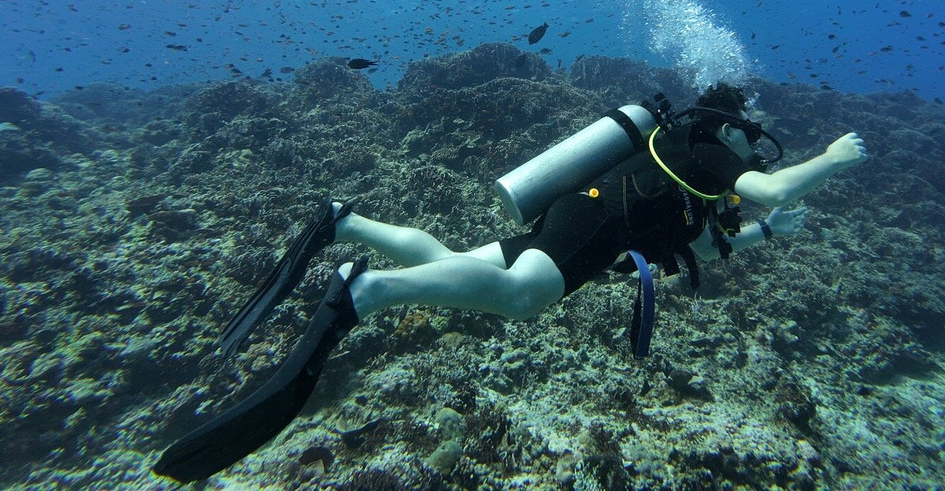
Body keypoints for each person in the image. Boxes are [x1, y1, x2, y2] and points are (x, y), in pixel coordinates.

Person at [153, 83, 868, 483]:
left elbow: (713, 244)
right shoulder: (710, 154)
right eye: (752, 134)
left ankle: (347, 222)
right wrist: (832, 159)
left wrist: (766, 234)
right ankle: (364, 291)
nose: (755, 144)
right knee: (524, 298)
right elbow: (772, 188)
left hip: (578, 215)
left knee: (462, 259)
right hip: (591, 227)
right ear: (730, 128)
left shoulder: (693, 169)